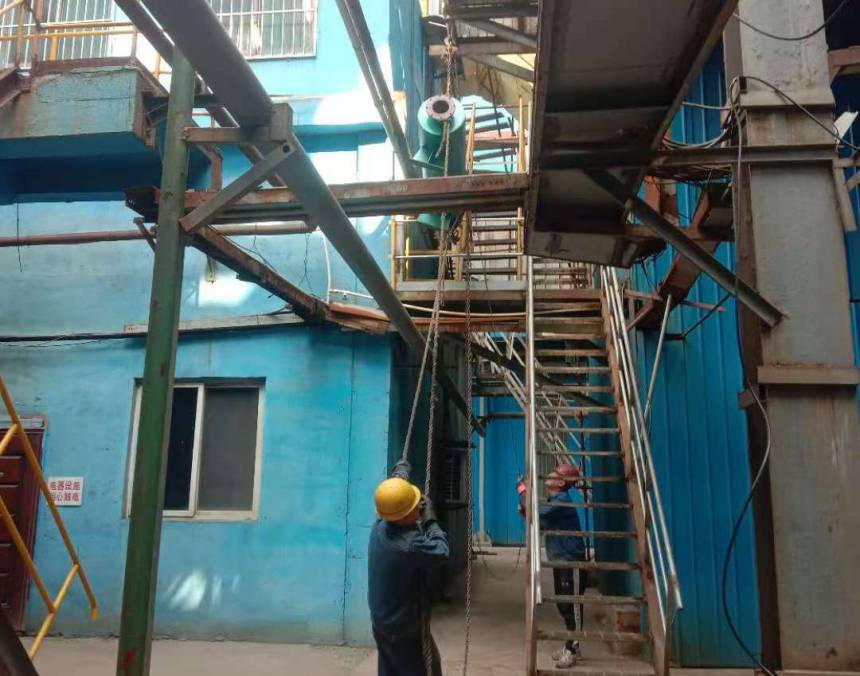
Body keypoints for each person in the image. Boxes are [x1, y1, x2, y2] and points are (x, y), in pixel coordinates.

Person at [368, 460, 449, 676]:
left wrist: (400, 471)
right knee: (429, 668)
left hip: (382, 623)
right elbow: (441, 551)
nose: (417, 508)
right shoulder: (409, 545)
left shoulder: (380, 524)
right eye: (414, 506)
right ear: (403, 516)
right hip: (404, 630)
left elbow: (393, 494)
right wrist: (430, 520)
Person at [517, 463, 587, 669]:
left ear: (561, 482)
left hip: (571, 560)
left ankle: (573, 649)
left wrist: (523, 491)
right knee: (563, 606)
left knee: (572, 606)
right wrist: (526, 509)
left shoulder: (562, 500)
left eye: (556, 473)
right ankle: (571, 644)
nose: (550, 474)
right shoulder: (555, 501)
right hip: (560, 559)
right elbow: (540, 520)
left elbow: (538, 513)